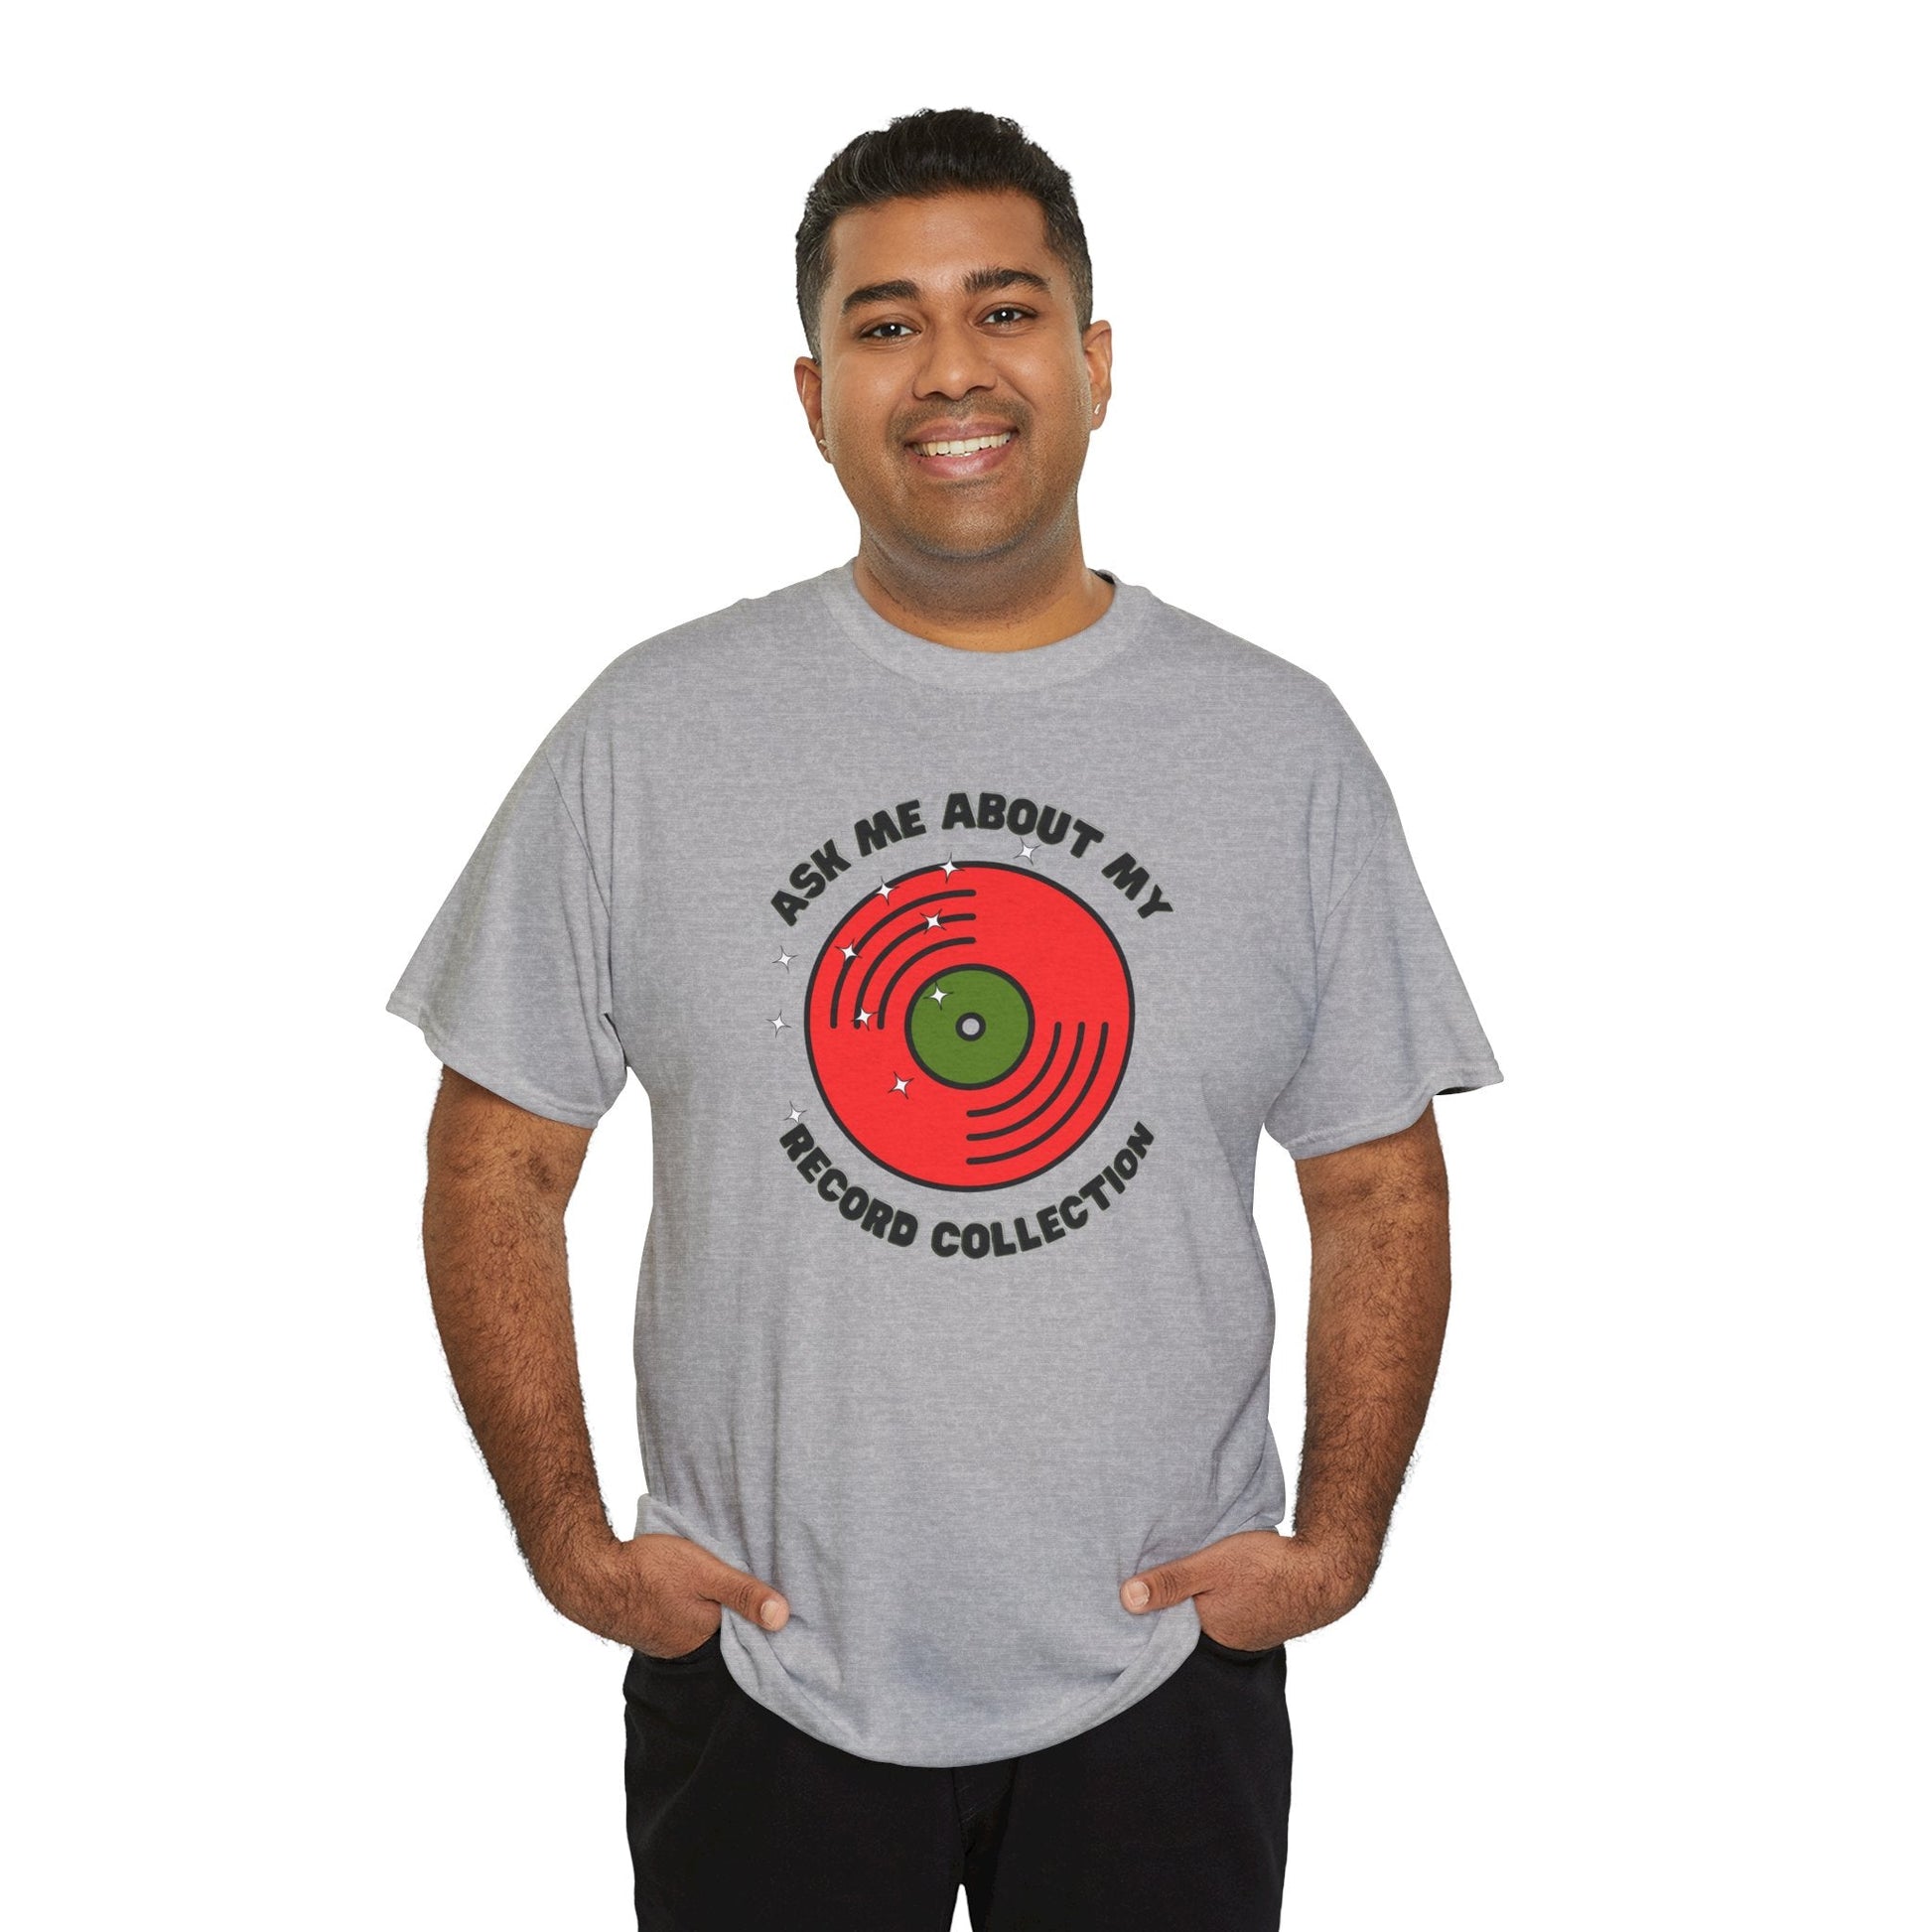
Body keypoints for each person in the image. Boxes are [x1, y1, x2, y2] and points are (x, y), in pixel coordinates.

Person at [387, 105, 1502, 1931]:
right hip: (762, 1664)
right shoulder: (651, 732)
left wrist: (1336, 1542)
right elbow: (495, 1161)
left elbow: (1377, 1180)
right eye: (886, 324)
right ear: (813, 393)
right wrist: (573, 1545)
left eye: (1003, 308)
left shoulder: (1276, 744)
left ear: (1096, 361)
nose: (951, 369)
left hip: (1163, 1661)